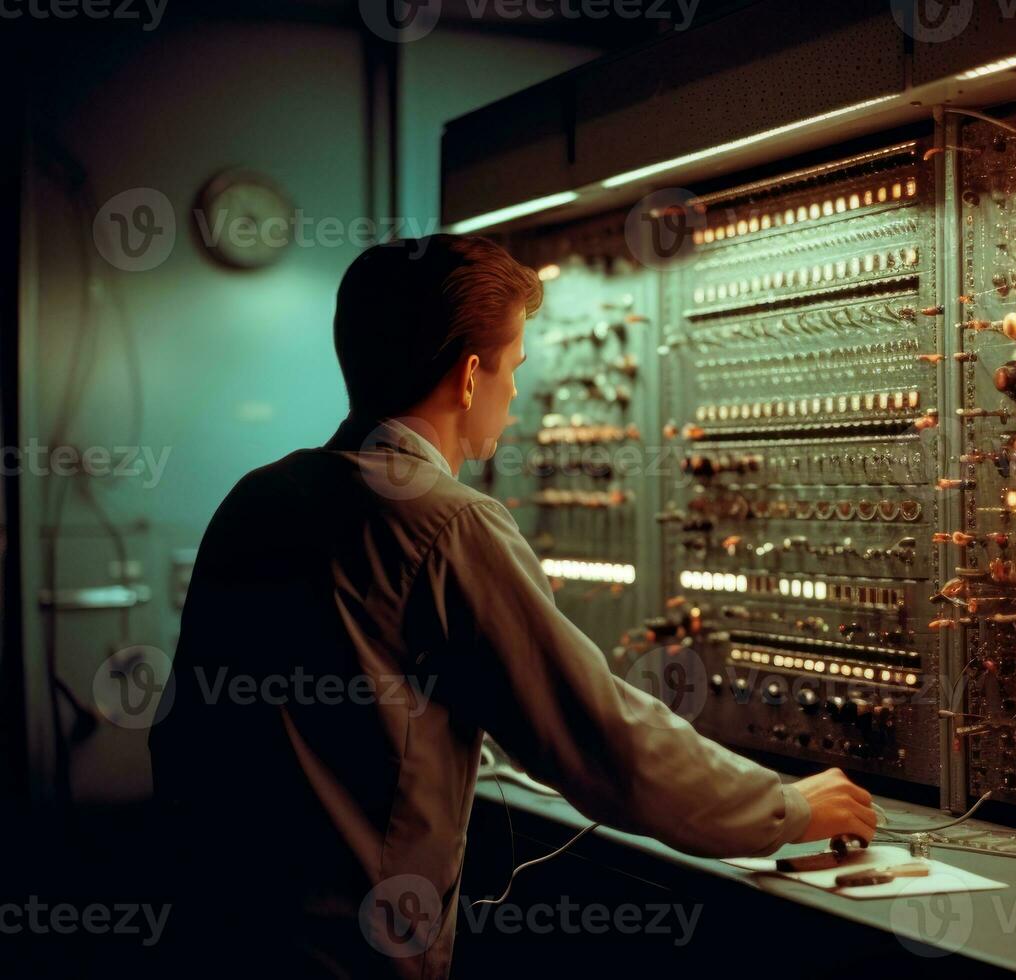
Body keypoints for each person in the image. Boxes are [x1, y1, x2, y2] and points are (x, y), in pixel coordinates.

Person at [148, 235, 876, 979]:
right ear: (470, 377)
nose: (516, 393)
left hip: (215, 930)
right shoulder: (448, 521)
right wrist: (785, 807)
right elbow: (601, 741)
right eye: (515, 368)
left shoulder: (259, 495)